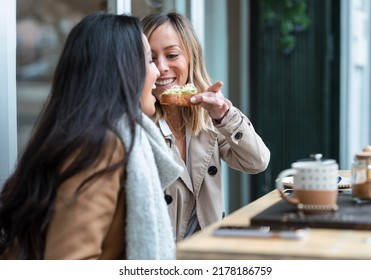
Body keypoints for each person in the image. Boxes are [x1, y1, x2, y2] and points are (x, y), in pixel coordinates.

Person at [0, 12, 182, 260]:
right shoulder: (102, 145)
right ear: (124, 70)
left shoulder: (83, 132)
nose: (158, 73)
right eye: (150, 60)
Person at [141, 12, 271, 242]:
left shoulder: (207, 115)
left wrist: (225, 116)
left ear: (192, 58)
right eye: (151, 59)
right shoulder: (138, 125)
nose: (162, 67)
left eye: (172, 55)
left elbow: (257, 162)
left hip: (207, 252)